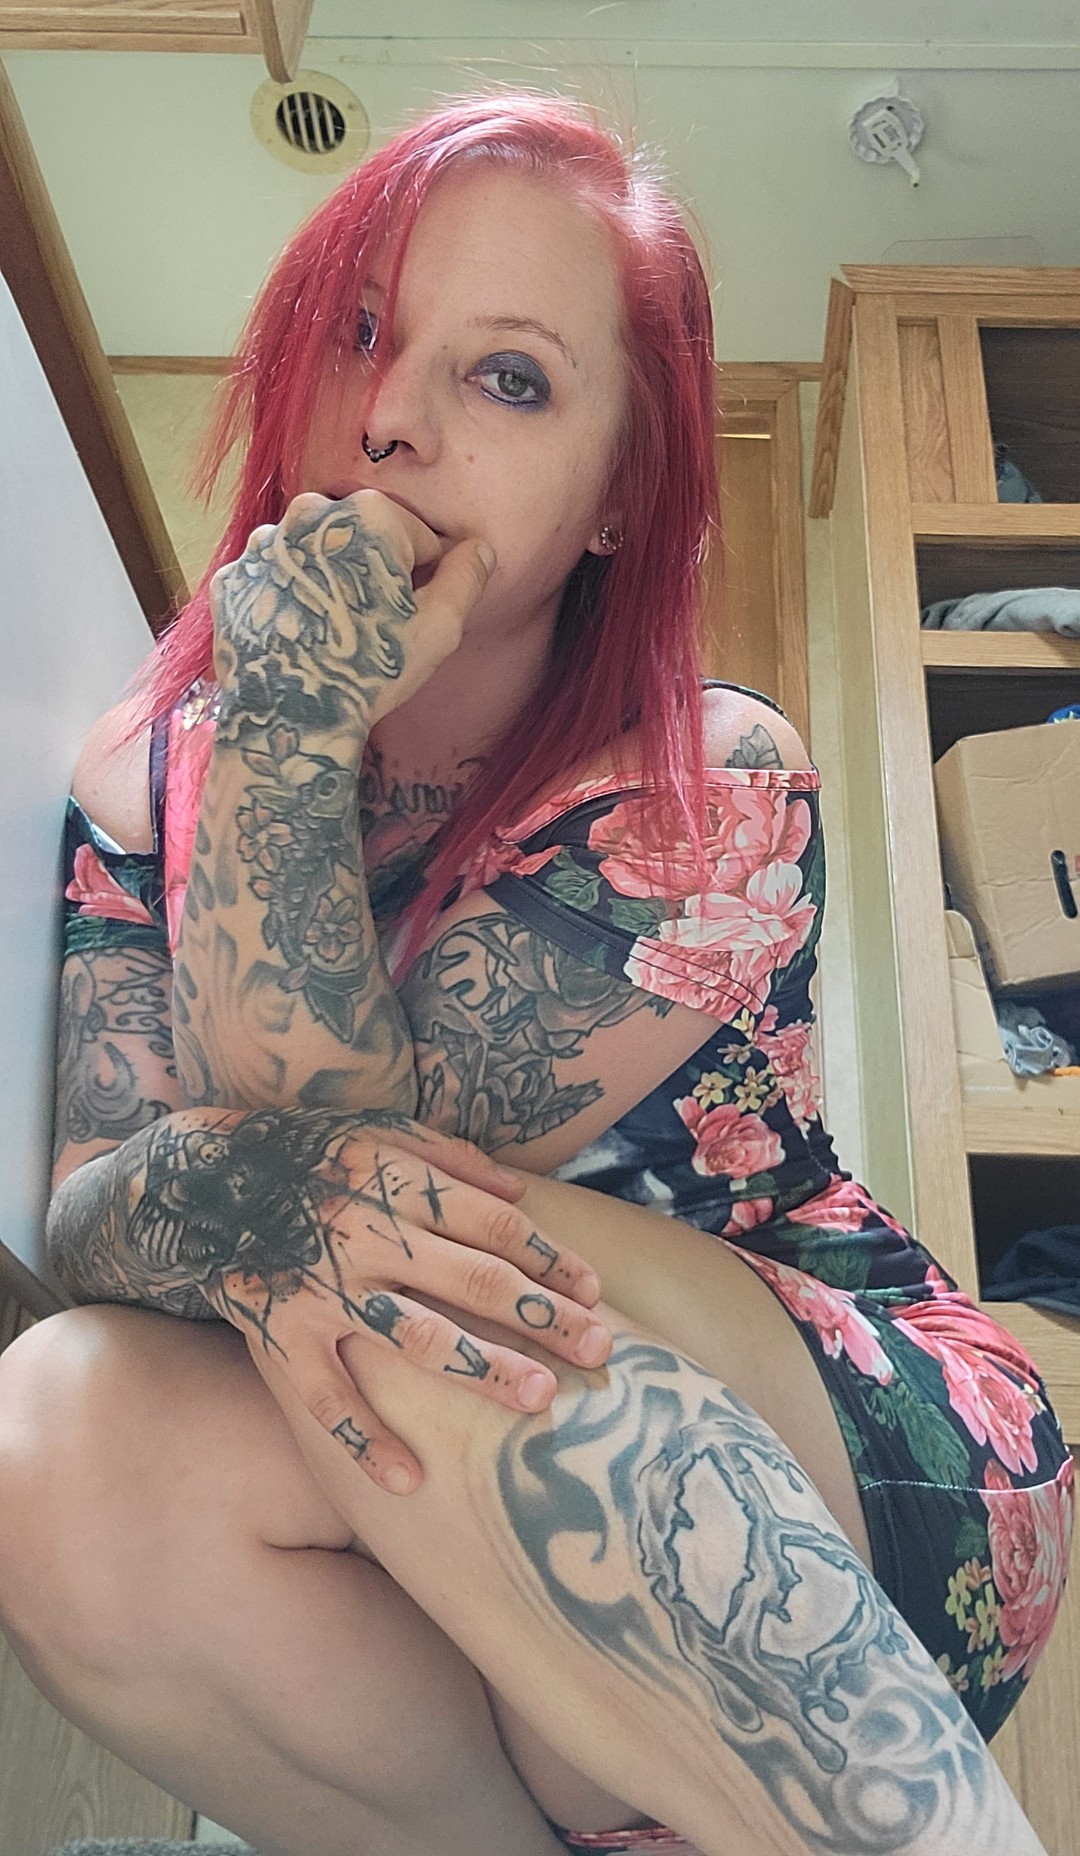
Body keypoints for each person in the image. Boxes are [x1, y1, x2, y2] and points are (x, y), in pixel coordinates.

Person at [0, 90, 1071, 1856]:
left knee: (414, 1260)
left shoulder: (709, 786)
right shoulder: (139, 769)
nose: (392, 417)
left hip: (854, 1474)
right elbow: (93, 1208)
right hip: (456, 1548)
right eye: (362, 329)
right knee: (56, 1432)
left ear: (613, 502)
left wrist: (286, 722)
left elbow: (367, 1176)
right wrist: (216, 1178)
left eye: (509, 379)